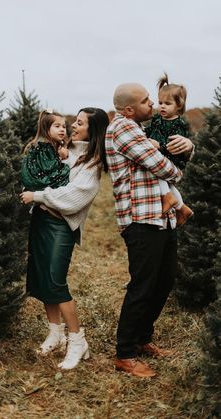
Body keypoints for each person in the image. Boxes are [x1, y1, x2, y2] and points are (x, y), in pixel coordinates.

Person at [105, 83, 194, 378]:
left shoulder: (140, 129)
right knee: (143, 285)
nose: (152, 106)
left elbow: (161, 161)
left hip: (162, 217)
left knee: (164, 279)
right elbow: (163, 167)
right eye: (146, 101)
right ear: (129, 109)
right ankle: (125, 353)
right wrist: (177, 164)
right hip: (141, 219)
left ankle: (143, 338)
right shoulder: (123, 128)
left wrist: (188, 147)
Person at [20, 107, 109, 370]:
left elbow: (73, 198)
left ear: (92, 130)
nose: (73, 126)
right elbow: (44, 175)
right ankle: (55, 334)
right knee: (43, 278)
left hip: (61, 226)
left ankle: (77, 340)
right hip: (42, 221)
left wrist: (38, 196)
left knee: (56, 282)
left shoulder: (92, 163)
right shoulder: (66, 153)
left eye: (80, 123)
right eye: (75, 122)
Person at [145, 73, 193, 226]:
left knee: (158, 174)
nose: (162, 106)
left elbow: (174, 147)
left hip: (172, 158)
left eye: (167, 103)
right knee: (168, 183)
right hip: (160, 155)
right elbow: (148, 131)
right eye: (160, 102)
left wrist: (159, 146)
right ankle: (182, 208)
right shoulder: (157, 119)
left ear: (178, 105)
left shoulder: (178, 125)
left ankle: (169, 198)